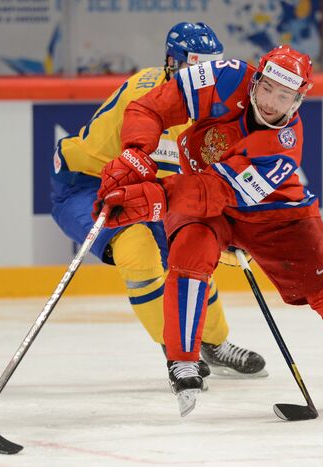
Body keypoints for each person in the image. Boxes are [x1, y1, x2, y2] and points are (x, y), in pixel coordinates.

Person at [93, 45, 323, 416]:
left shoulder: (282, 148)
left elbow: (214, 193)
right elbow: (149, 106)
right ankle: (182, 361)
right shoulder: (226, 76)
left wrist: (148, 199)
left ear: (298, 100)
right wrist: (135, 153)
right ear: (256, 79)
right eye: (266, 88)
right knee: (190, 251)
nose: (270, 102)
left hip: (276, 215)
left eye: (284, 96)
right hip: (201, 194)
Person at [50, 22, 267, 381]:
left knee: (194, 248)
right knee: (137, 251)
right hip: (89, 183)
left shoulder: (217, 104)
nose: (204, 78)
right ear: (171, 63)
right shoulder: (147, 97)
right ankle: (177, 349)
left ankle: (213, 343)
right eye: (195, 68)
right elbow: (153, 173)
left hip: (148, 185)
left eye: (210, 69)